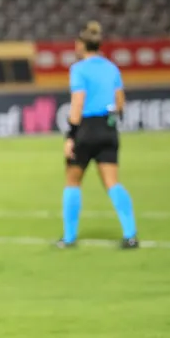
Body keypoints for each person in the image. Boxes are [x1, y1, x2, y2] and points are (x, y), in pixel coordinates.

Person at [58, 21, 139, 249]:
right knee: (113, 182)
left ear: (81, 45)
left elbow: (78, 102)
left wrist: (71, 136)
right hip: (108, 128)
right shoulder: (111, 68)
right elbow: (120, 102)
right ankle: (130, 234)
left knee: (72, 181)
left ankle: (69, 237)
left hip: (86, 129)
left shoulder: (79, 69)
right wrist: (110, 119)